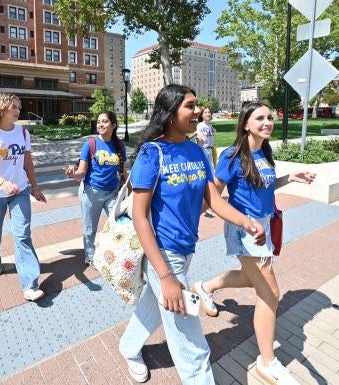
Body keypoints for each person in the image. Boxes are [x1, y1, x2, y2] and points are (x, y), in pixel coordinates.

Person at [118, 85, 266, 384]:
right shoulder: (151, 153)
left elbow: (214, 200)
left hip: (186, 248)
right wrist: (165, 276)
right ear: (171, 113)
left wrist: (247, 221)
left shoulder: (196, 150)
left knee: (153, 307)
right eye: (190, 105)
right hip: (163, 253)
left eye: (197, 105)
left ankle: (128, 347)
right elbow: (139, 216)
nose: (198, 111)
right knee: (190, 341)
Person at [192, 102, 316, 385]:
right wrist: (189, 219)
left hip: (265, 226)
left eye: (270, 117)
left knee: (252, 280)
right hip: (245, 230)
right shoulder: (232, 156)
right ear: (245, 123)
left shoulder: (264, 152)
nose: (267, 122)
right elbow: (213, 193)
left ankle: (204, 287)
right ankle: (267, 362)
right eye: (260, 118)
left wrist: (290, 177)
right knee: (271, 293)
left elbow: (263, 186)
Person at [0, 93, 46, 301]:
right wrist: (3, 183)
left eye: (19, 106)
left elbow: (28, 164)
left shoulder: (23, 133)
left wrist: (35, 187)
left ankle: (30, 284)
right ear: (1, 109)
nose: (18, 110)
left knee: (22, 235)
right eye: (14, 107)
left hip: (20, 191)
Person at [64, 111, 126, 267]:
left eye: (105, 121)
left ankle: (115, 252)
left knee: (118, 224)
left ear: (113, 125)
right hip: (91, 192)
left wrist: (127, 191)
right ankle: (90, 256)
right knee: (90, 228)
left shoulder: (119, 145)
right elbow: (82, 171)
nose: (100, 124)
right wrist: (73, 174)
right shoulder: (90, 144)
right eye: (99, 121)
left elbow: (123, 171)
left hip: (112, 193)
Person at [195, 106, 216, 172]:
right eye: (205, 112)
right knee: (204, 169)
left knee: (211, 169)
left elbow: (212, 139)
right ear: (201, 115)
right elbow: (199, 141)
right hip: (203, 150)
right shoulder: (200, 126)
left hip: (210, 150)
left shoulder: (210, 126)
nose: (208, 114)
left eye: (209, 112)